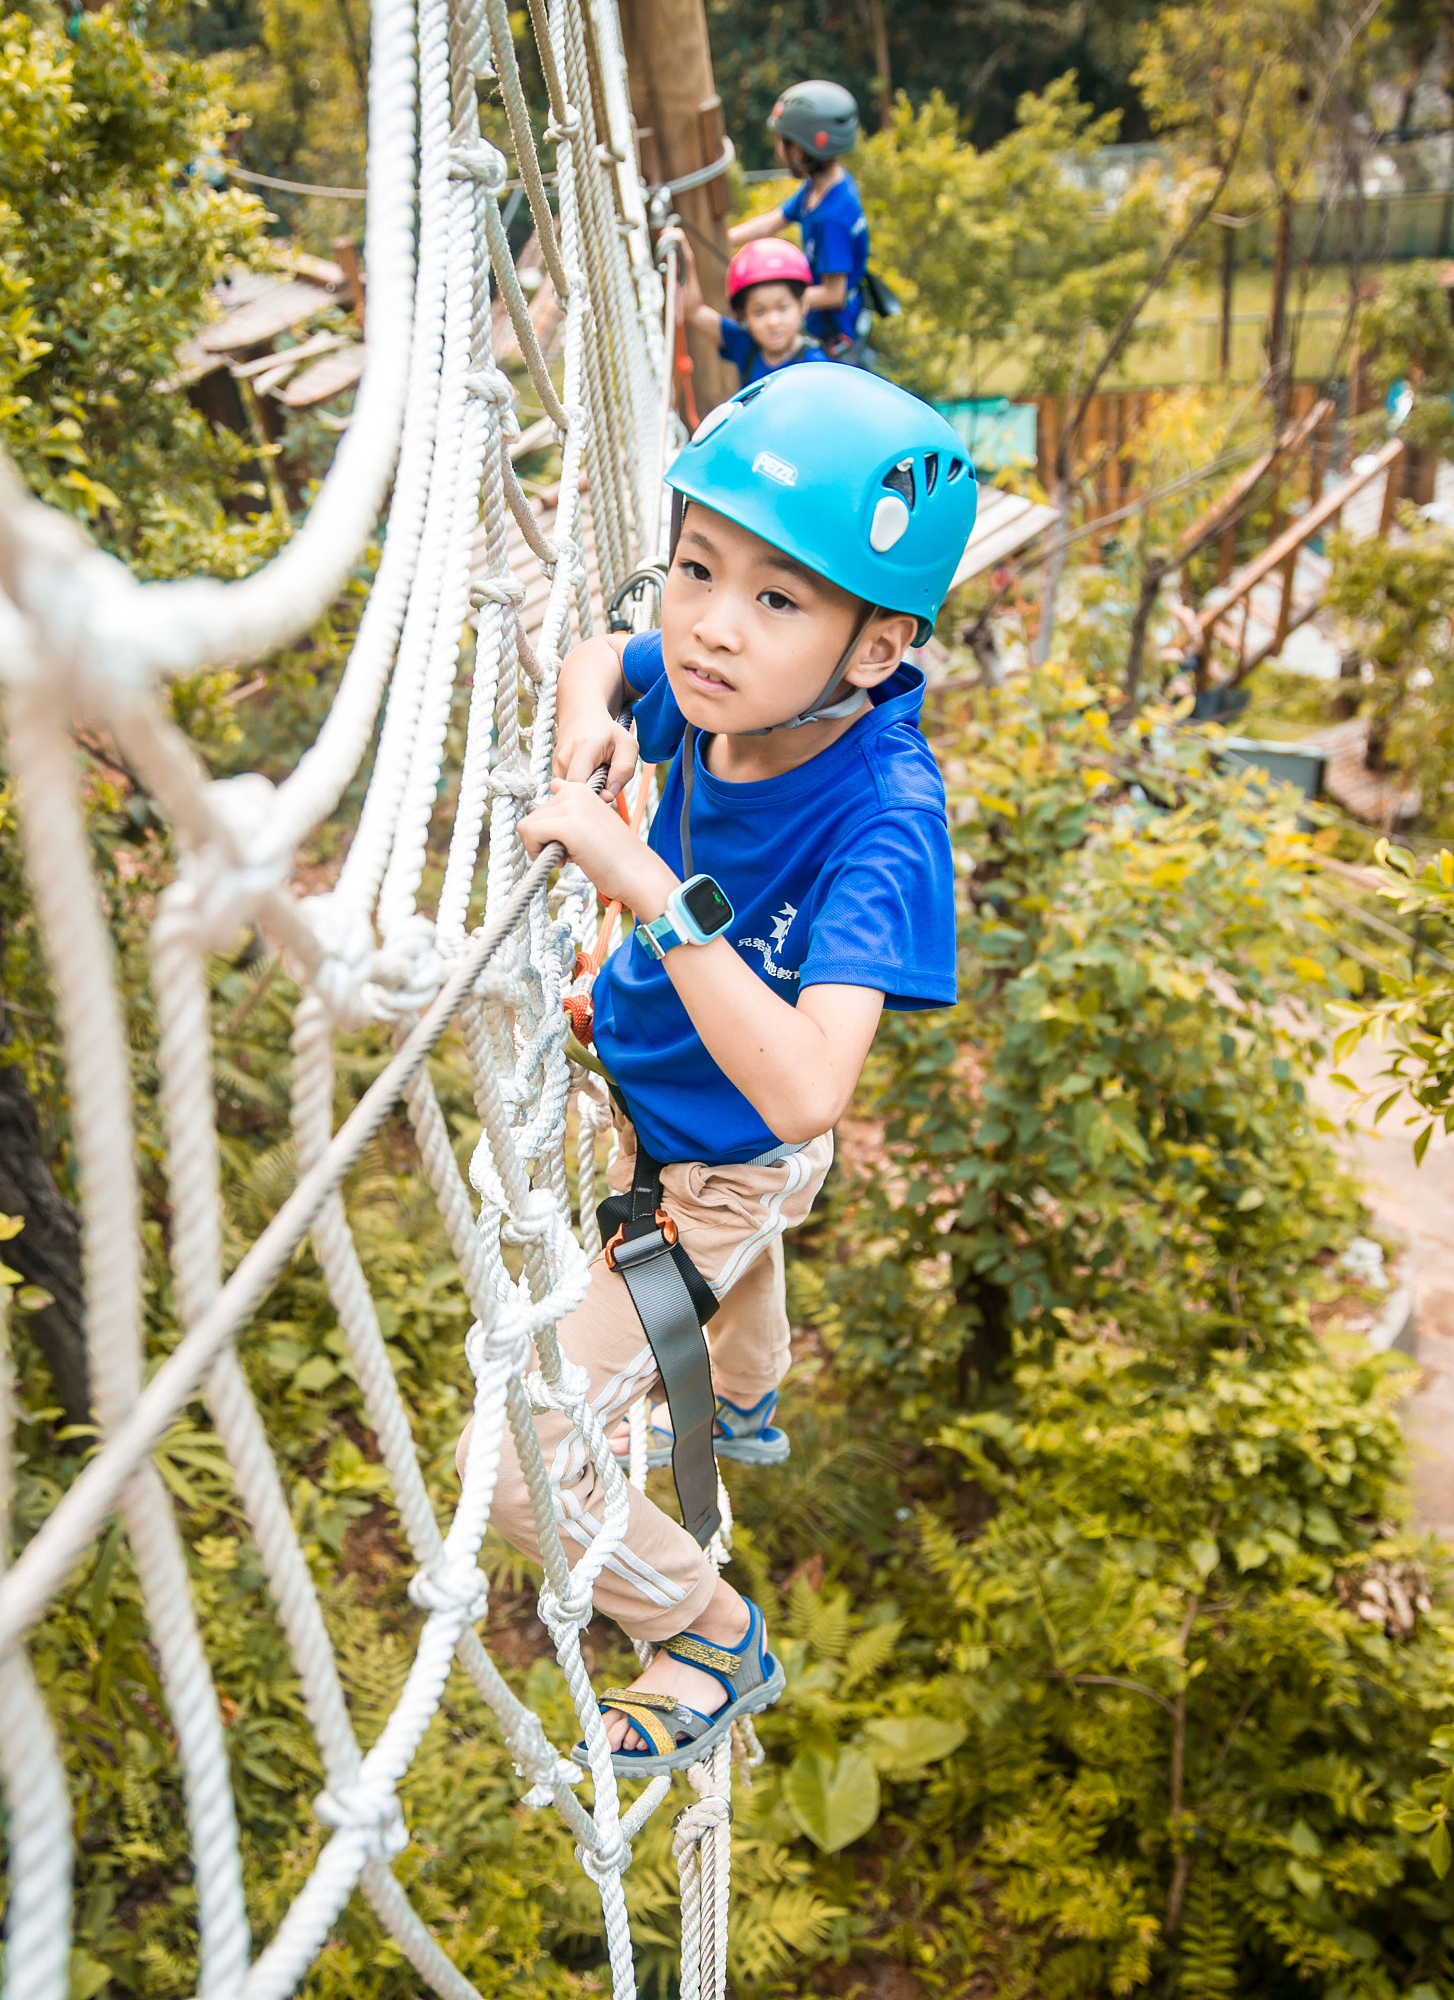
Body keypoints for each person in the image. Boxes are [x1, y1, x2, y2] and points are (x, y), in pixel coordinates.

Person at [489, 366, 976, 1774]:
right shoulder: (716, 687)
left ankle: (701, 1630)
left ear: (877, 650)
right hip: (663, 1086)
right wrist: (589, 721)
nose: (708, 627)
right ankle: (744, 1394)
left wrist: (643, 883)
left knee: (528, 1461)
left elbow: (812, 1091)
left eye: (777, 599)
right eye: (696, 567)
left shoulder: (884, 822)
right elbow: (606, 656)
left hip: (724, 1158)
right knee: (737, 1264)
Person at [730, 79, 874, 367]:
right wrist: (724, 238)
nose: (778, 150)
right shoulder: (821, 188)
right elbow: (774, 221)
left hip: (834, 336)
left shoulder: (831, 215)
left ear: (799, 150)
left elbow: (835, 293)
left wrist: (775, 303)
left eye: (782, 142)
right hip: (821, 320)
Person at [681, 238, 829, 392]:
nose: (773, 322)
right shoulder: (744, 344)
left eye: (783, 308)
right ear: (744, 315)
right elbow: (695, 311)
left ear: (803, 305)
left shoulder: (814, 365)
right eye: (759, 312)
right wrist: (686, 261)